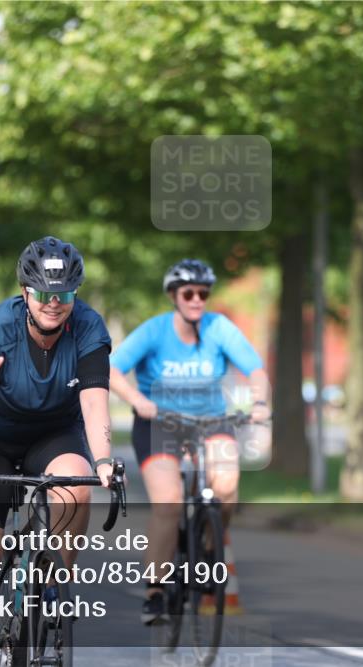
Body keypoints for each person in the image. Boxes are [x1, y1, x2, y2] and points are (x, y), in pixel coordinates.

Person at [0, 235, 114, 667]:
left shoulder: (90, 328)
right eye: (43, 294)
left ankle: (52, 581)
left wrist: (104, 460)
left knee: (77, 488)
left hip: (52, 433)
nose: (53, 303)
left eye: (64, 294)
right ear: (26, 292)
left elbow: (94, 400)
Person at [109, 259, 271, 625]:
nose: (197, 299)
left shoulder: (219, 328)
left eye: (203, 293)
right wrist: (138, 401)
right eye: (189, 293)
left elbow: (256, 370)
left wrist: (259, 402)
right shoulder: (154, 331)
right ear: (174, 296)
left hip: (211, 420)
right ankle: (154, 591)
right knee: (168, 504)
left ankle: (209, 549)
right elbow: (112, 370)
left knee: (227, 484)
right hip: (159, 424)